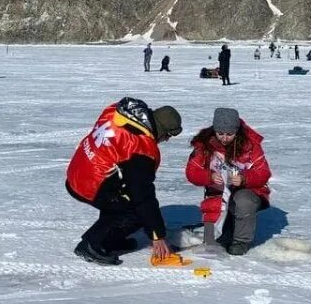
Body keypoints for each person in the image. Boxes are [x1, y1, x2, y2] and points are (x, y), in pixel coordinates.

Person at [66, 97, 183, 265]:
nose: (165, 141)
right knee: (133, 209)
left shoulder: (118, 112)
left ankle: (110, 241)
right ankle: (91, 244)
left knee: (121, 193)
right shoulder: (141, 148)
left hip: (78, 170)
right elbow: (143, 195)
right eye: (168, 137)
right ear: (163, 132)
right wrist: (157, 236)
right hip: (89, 183)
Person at [185, 108, 272, 255]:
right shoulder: (204, 145)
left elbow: (263, 173)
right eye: (220, 133)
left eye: (229, 134)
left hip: (248, 191)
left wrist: (245, 178)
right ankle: (218, 232)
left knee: (243, 200)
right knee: (213, 243)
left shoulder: (251, 145)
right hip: (217, 195)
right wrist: (209, 176)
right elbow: (192, 172)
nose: (224, 138)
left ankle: (241, 241)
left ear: (237, 131)